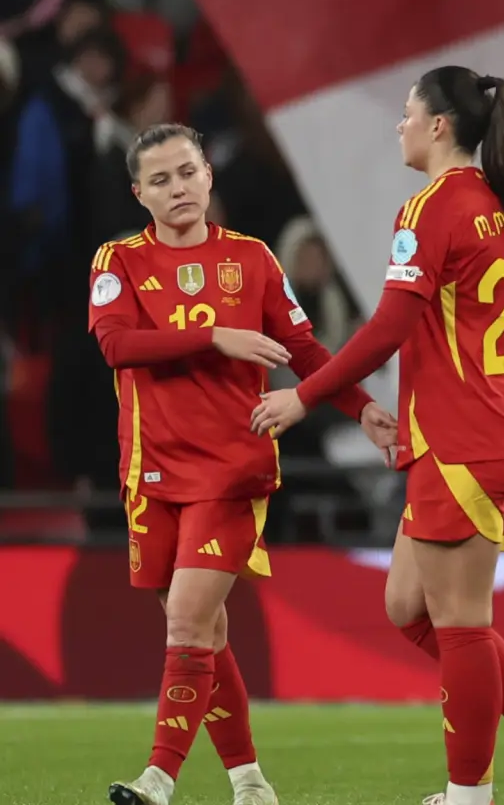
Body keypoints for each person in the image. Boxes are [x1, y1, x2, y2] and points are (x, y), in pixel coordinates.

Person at [251, 68, 504, 805]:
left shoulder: (431, 208)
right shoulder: (494, 207)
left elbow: (389, 326)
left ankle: (469, 798)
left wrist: (305, 398)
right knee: (408, 605)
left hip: (467, 438)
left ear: (439, 126)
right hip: (487, 431)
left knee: (462, 625)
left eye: (406, 114)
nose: (398, 126)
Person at [92, 124, 392, 805]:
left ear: (208, 176)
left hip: (231, 468)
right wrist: (216, 335)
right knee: (207, 633)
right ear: (139, 193)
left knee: (190, 624)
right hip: (151, 470)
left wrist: (362, 408)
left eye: (187, 172)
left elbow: (305, 350)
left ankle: (158, 779)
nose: (178, 188)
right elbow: (117, 346)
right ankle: (250, 781)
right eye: (160, 180)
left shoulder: (253, 260)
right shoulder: (117, 261)